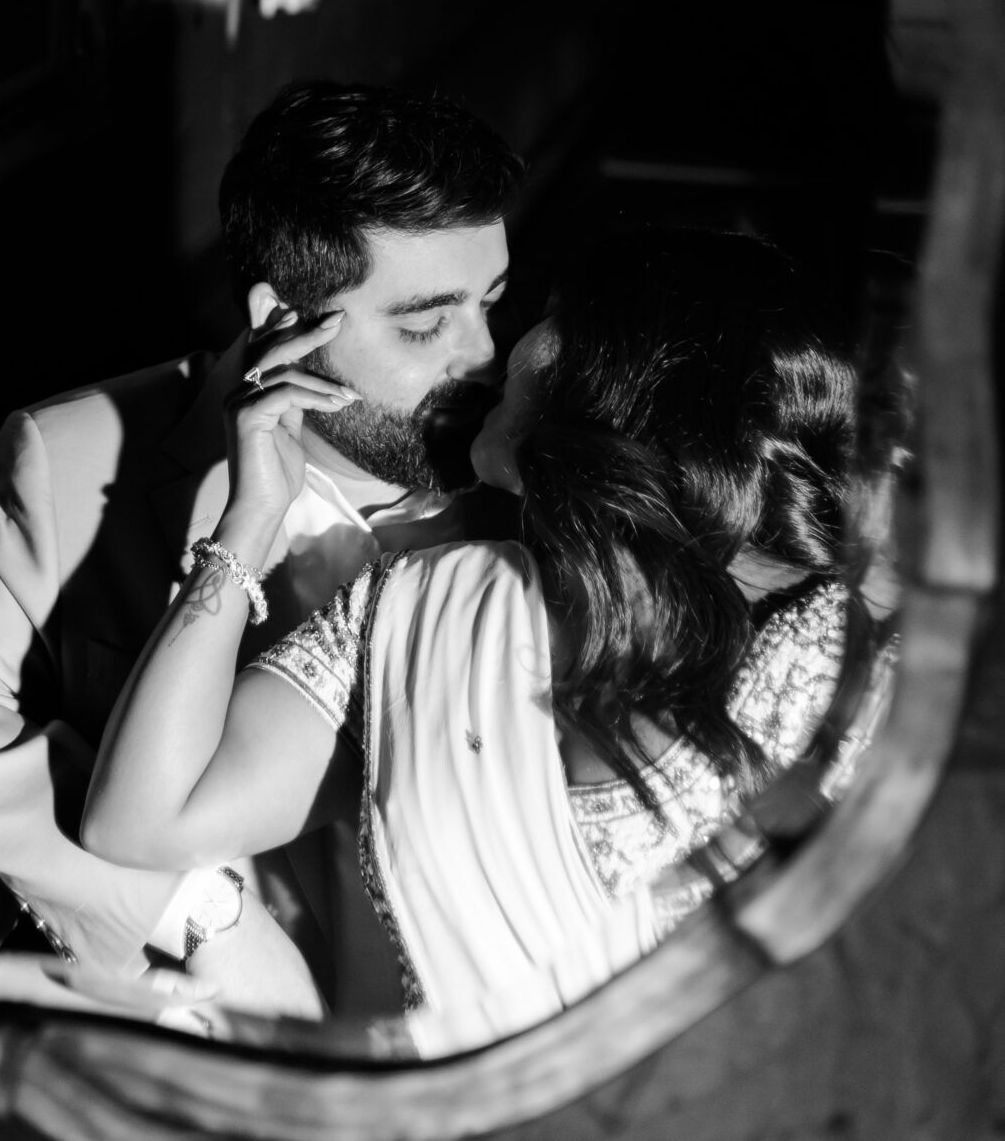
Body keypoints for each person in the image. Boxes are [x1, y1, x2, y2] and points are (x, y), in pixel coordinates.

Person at [81, 228, 892, 1051]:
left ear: (630, 365)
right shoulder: (416, 606)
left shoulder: (862, 676)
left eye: (541, 313)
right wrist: (247, 524)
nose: (493, 350)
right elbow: (141, 823)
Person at [0, 79, 522, 1007]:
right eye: (426, 322)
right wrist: (196, 910)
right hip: (198, 1025)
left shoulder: (539, 475)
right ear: (281, 318)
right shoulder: (79, 452)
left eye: (493, 303)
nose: (483, 361)